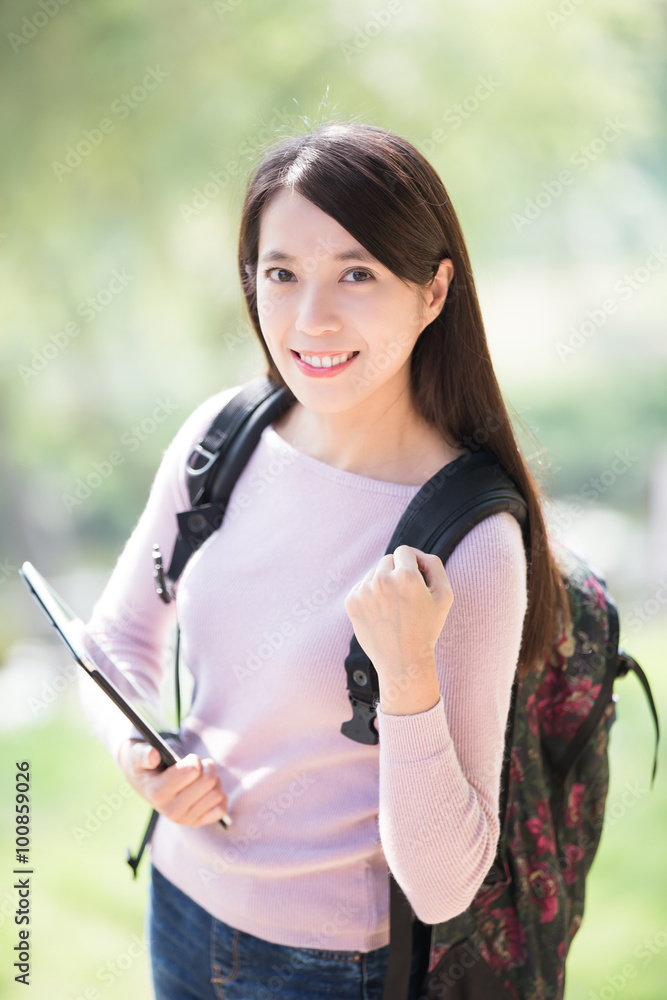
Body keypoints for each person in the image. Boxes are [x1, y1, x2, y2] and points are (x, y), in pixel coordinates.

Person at [78, 119, 570, 1000]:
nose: (311, 320)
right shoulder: (219, 440)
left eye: (357, 274)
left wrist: (408, 673)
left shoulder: (470, 543)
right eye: (282, 274)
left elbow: (445, 883)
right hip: (181, 903)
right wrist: (136, 751)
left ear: (433, 291)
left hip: (329, 965)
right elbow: (117, 640)